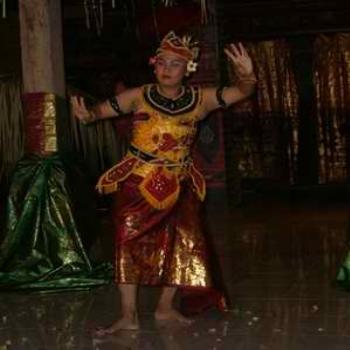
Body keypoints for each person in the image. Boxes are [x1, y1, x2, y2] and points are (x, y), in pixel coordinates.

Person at [71, 31, 256, 336]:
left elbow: (242, 91)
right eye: (161, 62)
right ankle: (128, 315)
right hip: (137, 182)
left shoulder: (201, 100)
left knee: (182, 243)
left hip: (179, 182)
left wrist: (245, 74)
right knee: (126, 242)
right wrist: (87, 114)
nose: (167, 68)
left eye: (175, 63)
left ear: (188, 69)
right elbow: (98, 112)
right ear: (153, 65)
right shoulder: (137, 95)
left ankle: (165, 307)